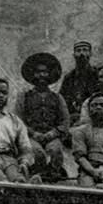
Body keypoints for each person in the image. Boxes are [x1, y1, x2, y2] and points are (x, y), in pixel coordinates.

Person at [14, 52, 71, 183]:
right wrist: (33, 133)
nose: (41, 76)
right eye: (38, 72)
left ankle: (53, 176)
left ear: (49, 75)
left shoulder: (57, 98)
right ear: (33, 75)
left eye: (45, 72)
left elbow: (65, 121)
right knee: (37, 153)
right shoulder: (24, 96)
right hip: (32, 136)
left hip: (52, 136)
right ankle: (36, 176)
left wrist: (53, 133)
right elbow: (18, 120)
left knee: (55, 150)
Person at [59, 40, 99, 121]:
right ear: (74, 55)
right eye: (78, 51)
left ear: (90, 54)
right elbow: (62, 100)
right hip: (73, 118)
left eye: (85, 50)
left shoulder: (97, 74)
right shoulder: (69, 78)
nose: (82, 54)